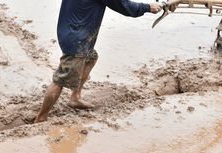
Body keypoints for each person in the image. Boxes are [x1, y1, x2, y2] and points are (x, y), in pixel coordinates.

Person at [35, 0, 163, 123]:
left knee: (91, 58)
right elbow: (123, 6)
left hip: (73, 31)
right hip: (76, 37)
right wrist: (148, 7)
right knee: (61, 80)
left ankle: (75, 97)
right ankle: (41, 117)